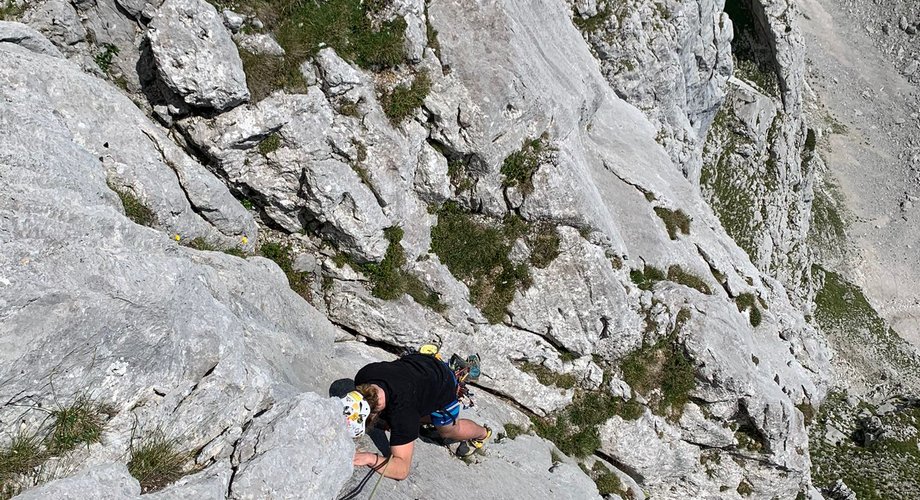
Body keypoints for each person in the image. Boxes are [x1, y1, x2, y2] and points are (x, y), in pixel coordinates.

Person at [351, 353, 492, 480]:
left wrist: (370, 458)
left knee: (449, 431)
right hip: (420, 361)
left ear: (374, 414)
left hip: (444, 384)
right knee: (410, 407)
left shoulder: (402, 413)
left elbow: (401, 470)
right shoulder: (364, 376)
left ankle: (483, 434)